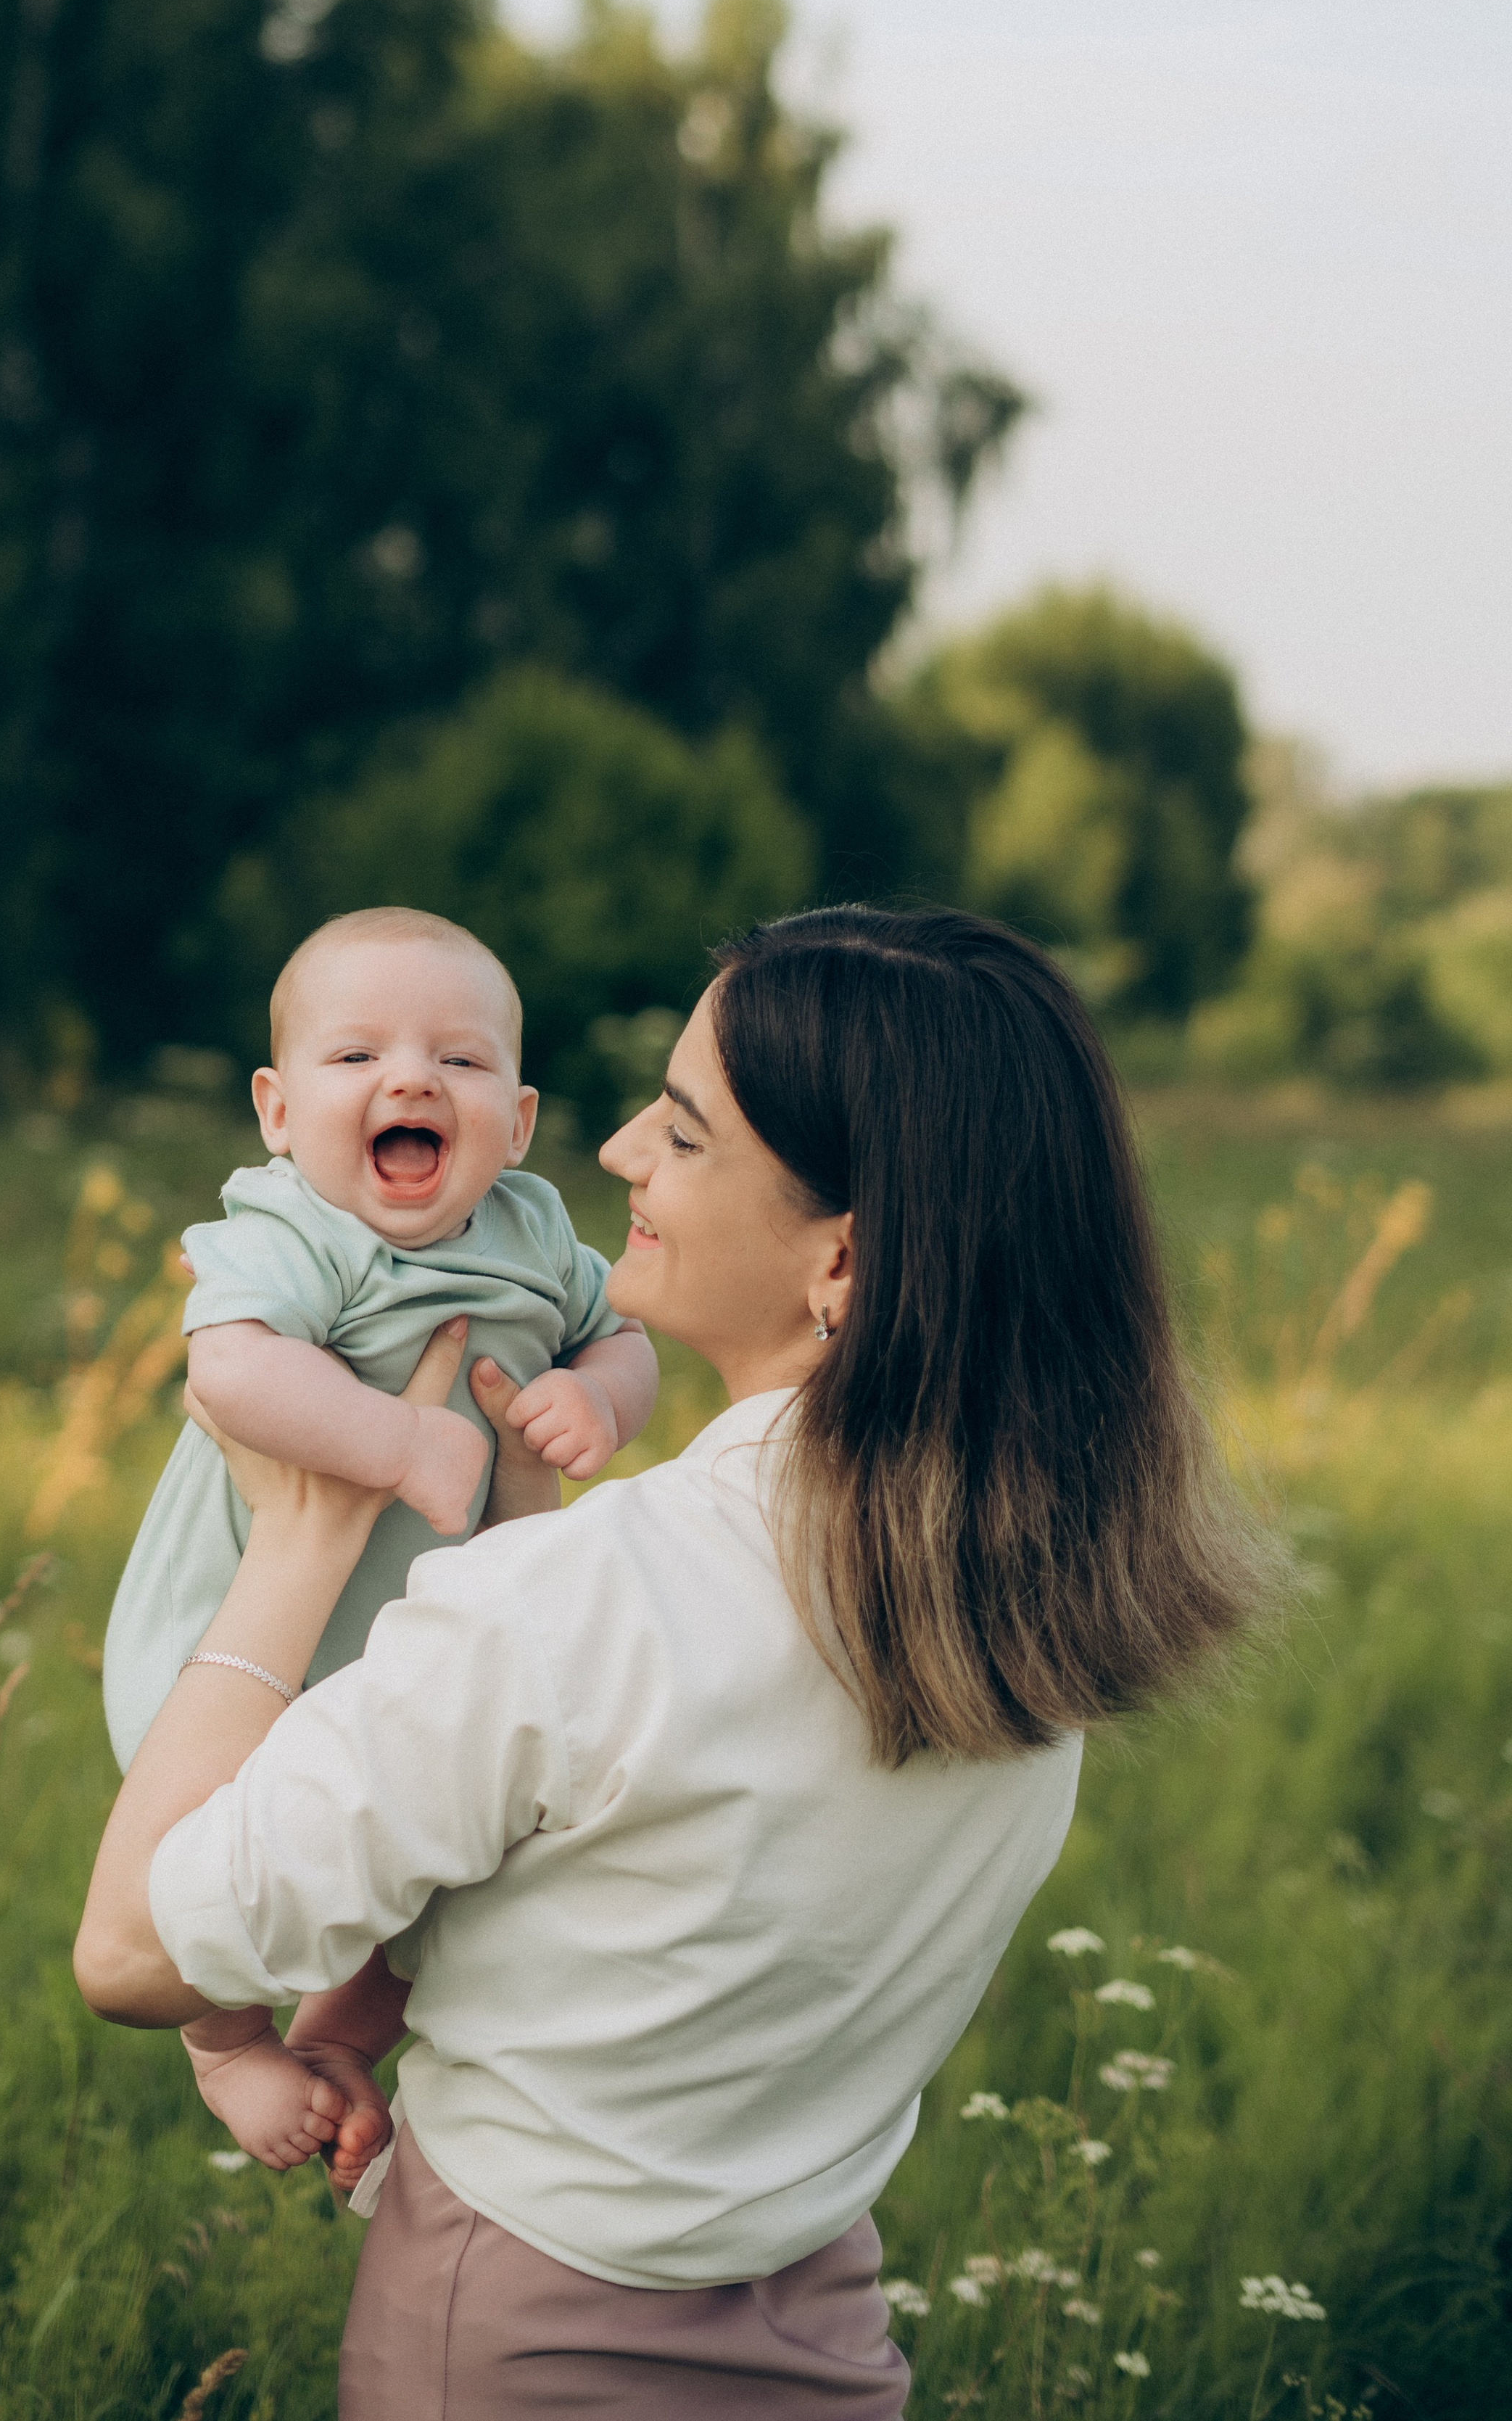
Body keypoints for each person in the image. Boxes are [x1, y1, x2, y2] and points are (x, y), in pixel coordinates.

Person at [76, 907, 1273, 2417]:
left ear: (842, 1257)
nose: (625, 1147)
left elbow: (128, 1951)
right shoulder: (1025, 1610)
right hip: (819, 2314)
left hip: (510, 2336)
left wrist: (304, 1533)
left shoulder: (580, 1603)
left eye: (688, 1133)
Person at [104, 904, 657, 2170]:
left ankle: (347, 2032)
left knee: (460, 1860)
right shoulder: (297, 1230)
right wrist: (398, 1443)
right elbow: (229, 1374)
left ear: (515, 1122)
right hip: (252, 1634)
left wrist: (598, 1400)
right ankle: (230, 2042)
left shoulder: (534, 1234)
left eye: (460, 1060)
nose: (411, 1076)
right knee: (212, 1841)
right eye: (356, 1056)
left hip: (423, 1640)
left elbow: (624, 1339)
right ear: (279, 1109)